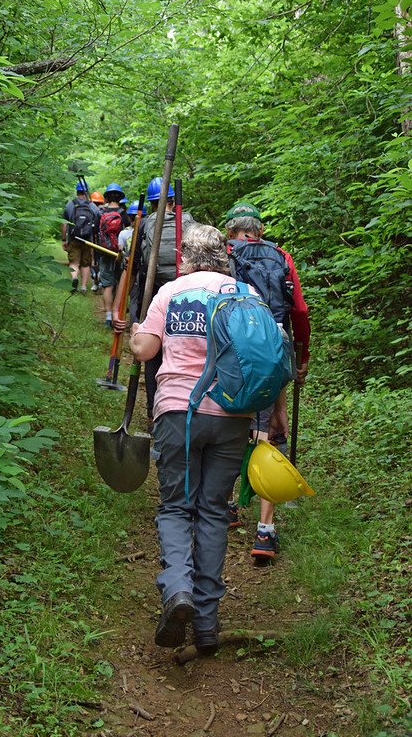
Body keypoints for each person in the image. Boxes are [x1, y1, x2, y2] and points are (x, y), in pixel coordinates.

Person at [129, 223, 287, 653]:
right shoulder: (245, 295)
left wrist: (133, 333)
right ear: (224, 257)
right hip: (232, 415)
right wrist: (273, 412)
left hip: (179, 413)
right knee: (214, 513)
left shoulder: (172, 292)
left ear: (186, 257)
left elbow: (144, 349)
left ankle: (177, 590)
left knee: (177, 508)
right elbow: (271, 353)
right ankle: (205, 624)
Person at [225, 203, 311, 559]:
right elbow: (300, 311)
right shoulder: (281, 256)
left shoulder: (225, 255)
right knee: (271, 427)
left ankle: (227, 504)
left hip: (235, 347)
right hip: (276, 346)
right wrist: (301, 355)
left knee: (233, 421)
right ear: (259, 230)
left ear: (231, 230)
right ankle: (265, 531)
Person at [138, 177, 194, 428]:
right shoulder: (190, 221)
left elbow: (140, 261)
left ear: (152, 205)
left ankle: (153, 413)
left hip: (156, 289)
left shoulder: (147, 223)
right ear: (174, 201)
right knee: (187, 347)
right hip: (187, 293)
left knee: (153, 352)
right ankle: (185, 408)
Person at [98, 183, 130, 328]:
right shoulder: (124, 214)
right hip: (120, 254)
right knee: (120, 283)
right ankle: (119, 314)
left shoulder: (101, 213)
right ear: (120, 197)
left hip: (104, 253)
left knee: (107, 285)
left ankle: (108, 317)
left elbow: (96, 235)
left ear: (107, 197)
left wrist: (95, 256)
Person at [61, 182, 101, 295]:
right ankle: (83, 287)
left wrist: (64, 240)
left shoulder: (70, 205)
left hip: (73, 238)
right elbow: (98, 221)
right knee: (85, 263)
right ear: (87, 192)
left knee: (74, 262)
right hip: (88, 240)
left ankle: (74, 277)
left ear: (77, 192)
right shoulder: (92, 206)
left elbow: (64, 224)